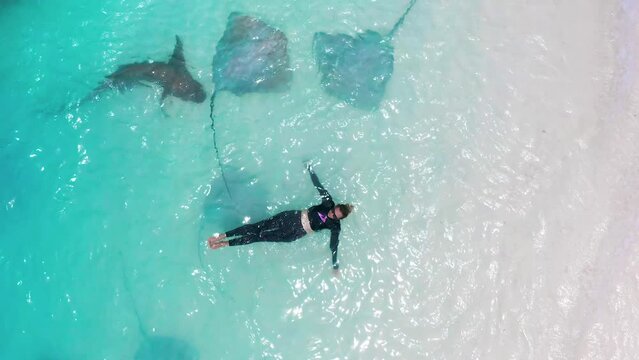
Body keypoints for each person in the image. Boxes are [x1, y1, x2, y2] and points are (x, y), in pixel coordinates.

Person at [208, 164, 353, 272]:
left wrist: (335, 266)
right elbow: (318, 186)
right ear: (335, 206)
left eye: (335, 216)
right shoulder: (328, 203)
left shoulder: (335, 226)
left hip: (294, 233)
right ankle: (222, 236)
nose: (331, 214)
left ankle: (225, 244)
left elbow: (334, 246)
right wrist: (310, 168)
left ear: (339, 219)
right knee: (257, 227)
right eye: (334, 211)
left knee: (259, 237)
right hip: (292, 217)